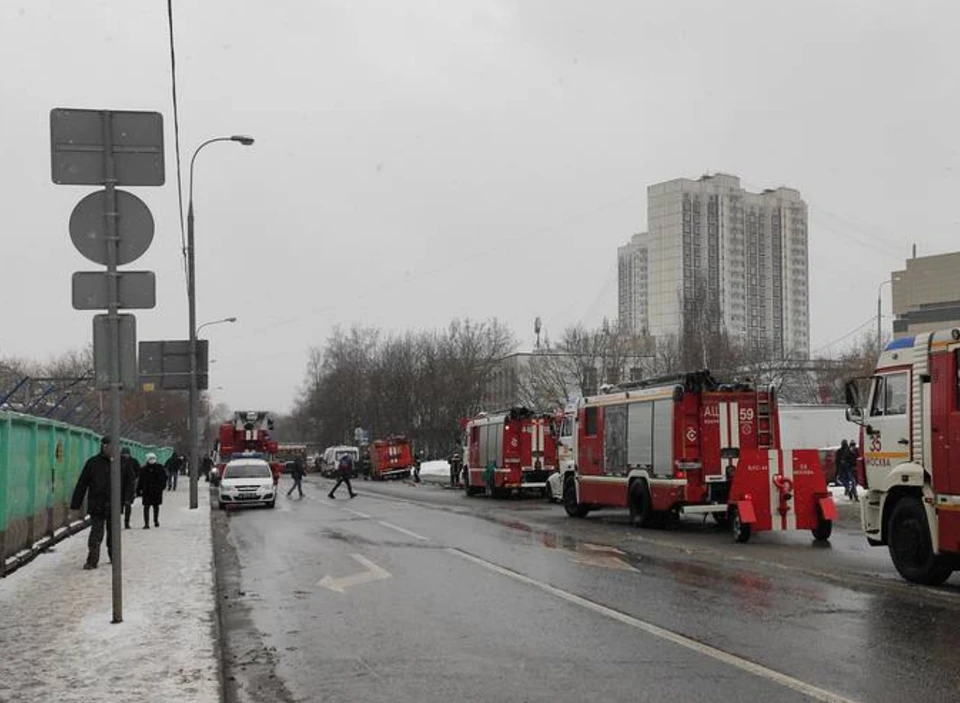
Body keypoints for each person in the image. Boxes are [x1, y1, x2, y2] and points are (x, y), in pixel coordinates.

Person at [70, 436, 114, 570]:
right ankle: (92, 560)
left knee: (113, 534)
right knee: (96, 534)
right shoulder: (93, 463)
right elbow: (82, 484)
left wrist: (127, 498)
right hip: (97, 504)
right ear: (104, 447)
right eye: (110, 447)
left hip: (114, 504)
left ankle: (114, 557)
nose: (113, 450)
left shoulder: (120, 463)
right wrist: (75, 504)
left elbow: (128, 481)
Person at [138, 452, 167, 528]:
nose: (152, 460)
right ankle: (155, 521)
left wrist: (139, 490)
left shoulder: (143, 469)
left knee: (147, 507)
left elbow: (140, 481)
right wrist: (162, 487)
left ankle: (147, 523)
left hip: (147, 491)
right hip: (155, 491)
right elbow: (164, 478)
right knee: (155, 506)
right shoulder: (160, 468)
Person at [120, 447, 141, 529]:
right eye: (124, 454)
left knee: (127, 505)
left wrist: (134, 479)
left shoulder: (133, 461)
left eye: (126, 454)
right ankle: (117, 523)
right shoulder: (118, 461)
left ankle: (126, 522)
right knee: (119, 506)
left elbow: (138, 471)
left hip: (129, 487)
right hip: (120, 487)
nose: (125, 455)